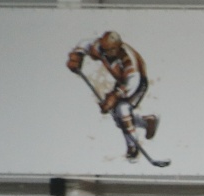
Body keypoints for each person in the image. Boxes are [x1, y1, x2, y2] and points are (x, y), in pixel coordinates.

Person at [67, 31, 160, 164]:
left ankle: (132, 147)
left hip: (136, 85)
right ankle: (146, 122)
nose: (106, 53)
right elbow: (86, 44)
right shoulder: (102, 48)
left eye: (111, 50)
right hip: (122, 81)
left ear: (118, 47)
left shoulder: (129, 61)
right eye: (105, 50)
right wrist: (77, 56)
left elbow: (133, 83)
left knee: (122, 111)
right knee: (118, 119)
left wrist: (114, 97)